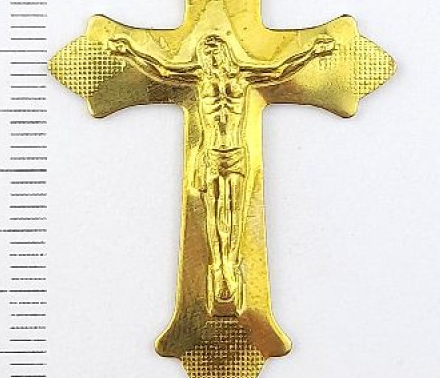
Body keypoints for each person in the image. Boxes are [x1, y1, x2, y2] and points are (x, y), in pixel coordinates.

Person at [108, 32, 335, 309]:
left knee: (235, 214)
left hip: (237, 153)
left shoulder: (244, 77)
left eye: (215, 53)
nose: (211, 59)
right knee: (215, 214)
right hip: (211, 154)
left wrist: (312, 53)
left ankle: (232, 264)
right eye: (207, 54)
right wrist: (130, 53)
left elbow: (279, 71)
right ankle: (219, 268)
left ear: (225, 53)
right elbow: (162, 70)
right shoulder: (198, 78)